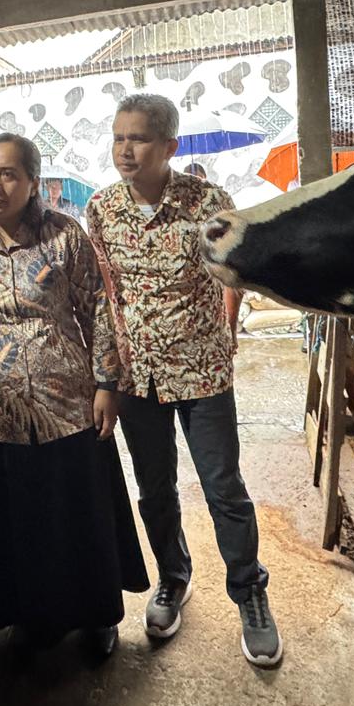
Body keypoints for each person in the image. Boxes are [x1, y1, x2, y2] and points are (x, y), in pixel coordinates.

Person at [85, 93, 283, 667]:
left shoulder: (208, 201)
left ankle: (249, 592)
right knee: (155, 489)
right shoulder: (101, 209)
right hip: (137, 375)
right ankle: (173, 577)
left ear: (169, 146)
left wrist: (225, 326)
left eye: (139, 138)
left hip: (202, 372)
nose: (126, 149)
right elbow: (106, 293)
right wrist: (108, 373)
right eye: (119, 137)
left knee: (224, 488)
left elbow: (233, 270)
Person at [0, 133, 148, 654]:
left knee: (76, 516)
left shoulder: (65, 237)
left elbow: (98, 311)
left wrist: (106, 385)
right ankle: (24, 615)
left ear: (32, 181)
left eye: (9, 174)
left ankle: (97, 617)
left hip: (67, 406)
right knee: (13, 521)